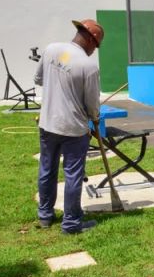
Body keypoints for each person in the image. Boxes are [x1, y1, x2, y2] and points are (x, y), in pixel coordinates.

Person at [34, 19, 104, 235]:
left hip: (47, 124)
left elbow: (39, 79)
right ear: (91, 41)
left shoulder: (51, 49)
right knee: (73, 174)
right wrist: (95, 117)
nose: (95, 51)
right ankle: (71, 223)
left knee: (47, 168)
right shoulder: (88, 65)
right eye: (96, 46)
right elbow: (92, 105)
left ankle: (45, 215)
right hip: (74, 129)